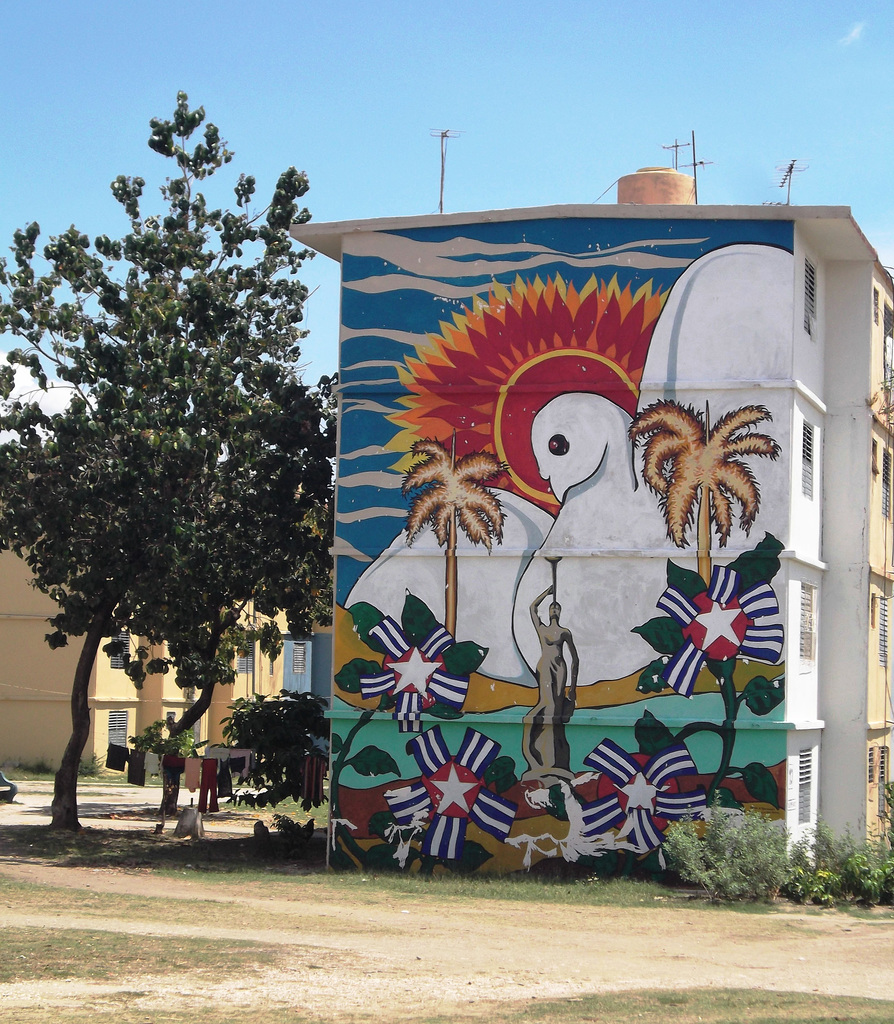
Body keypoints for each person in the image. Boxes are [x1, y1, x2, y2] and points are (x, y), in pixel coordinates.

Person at [522, 579, 579, 781]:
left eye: (557, 607)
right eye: (552, 607)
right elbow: (532, 607)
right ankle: (542, 758)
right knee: (545, 704)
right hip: (544, 666)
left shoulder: (564, 632)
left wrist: (573, 687)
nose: (554, 610)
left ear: (560, 612)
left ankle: (553, 760)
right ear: (549, 611)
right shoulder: (543, 629)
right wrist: (547, 592)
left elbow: (575, 659)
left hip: (559, 667)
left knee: (555, 707)